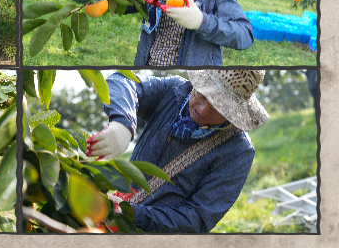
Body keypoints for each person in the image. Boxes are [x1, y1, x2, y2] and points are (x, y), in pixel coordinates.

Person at [86, 70, 269, 233]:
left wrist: (135, 213)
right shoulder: (174, 92)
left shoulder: (237, 151)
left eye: (217, 108)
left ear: (233, 112)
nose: (203, 110)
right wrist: (123, 123)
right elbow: (121, 80)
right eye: (202, 96)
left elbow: (196, 220)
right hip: (113, 216)